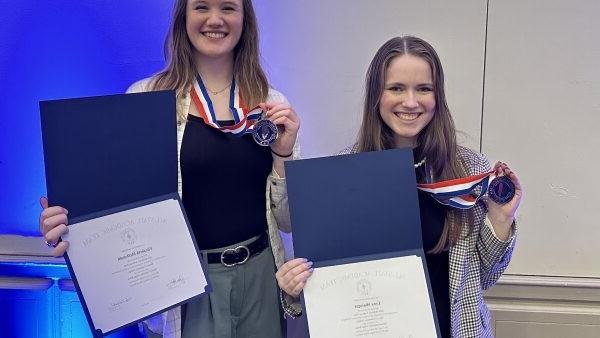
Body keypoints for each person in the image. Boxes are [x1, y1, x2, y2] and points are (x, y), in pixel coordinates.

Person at [39, 0, 300, 337]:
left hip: (261, 277)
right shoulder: (145, 99)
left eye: (228, 8)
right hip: (184, 287)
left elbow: (290, 222)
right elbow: (114, 202)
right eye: (202, 7)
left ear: (244, 19)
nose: (215, 19)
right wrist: (68, 225)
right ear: (184, 17)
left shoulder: (271, 104)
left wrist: (284, 154)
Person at [276, 36, 522, 337]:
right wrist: (295, 284)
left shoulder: (469, 169)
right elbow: (331, 277)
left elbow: (484, 277)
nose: (410, 102)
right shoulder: (342, 174)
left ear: (437, 96)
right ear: (377, 96)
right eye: (396, 88)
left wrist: (501, 218)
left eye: (423, 89)